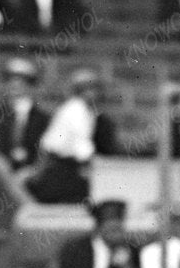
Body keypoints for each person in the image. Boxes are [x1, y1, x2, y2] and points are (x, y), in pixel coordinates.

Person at [25, 69, 115, 205]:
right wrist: (89, 165)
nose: (92, 93)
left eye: (94, 89)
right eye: (86, 89)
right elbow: (82, 146)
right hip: (60, 168)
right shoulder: (76, 109)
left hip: (62, 166)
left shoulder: (85, 110)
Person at [0, 57, 50, 169]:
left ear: (31, 84)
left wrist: (30, 171)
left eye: (23, 80)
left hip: (30, 172)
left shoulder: (42, 118)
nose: (15, 84)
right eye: (10, 79)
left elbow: (44, 150)